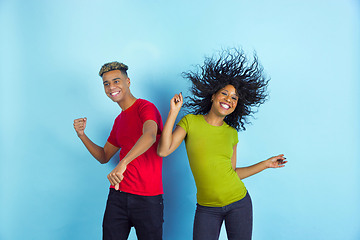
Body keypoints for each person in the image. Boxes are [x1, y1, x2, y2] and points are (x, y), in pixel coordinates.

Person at [157, 47, 287, 240]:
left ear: (237, 105)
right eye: (224, 94)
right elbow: (163, 150)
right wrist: (174, 112)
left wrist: (266, 164)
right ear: (212, 95)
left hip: (239, 203)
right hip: (207, 208)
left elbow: (232, 173)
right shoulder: (190, 122)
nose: (229, 99)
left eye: (234, 98)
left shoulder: (231, 134)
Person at [73, 62, 164, 240]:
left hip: (148, 198)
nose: (111, 87)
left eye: (116, 81)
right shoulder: (119, 120)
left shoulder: (145, 108)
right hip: (118, 196)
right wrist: (82, 135)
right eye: (106, 84)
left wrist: (124, 162)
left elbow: (150, 135)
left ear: (128, 81)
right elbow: (104, 156)